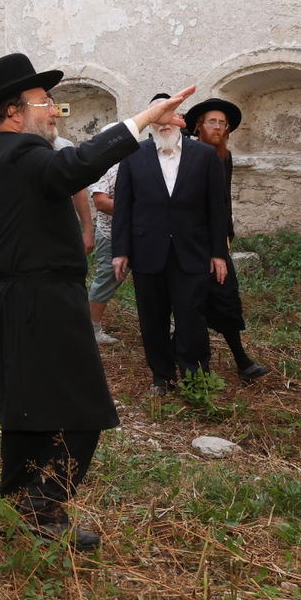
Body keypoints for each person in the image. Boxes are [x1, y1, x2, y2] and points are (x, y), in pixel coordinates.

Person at [0, 52, 193, 548]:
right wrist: (145, 119)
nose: (54, 112)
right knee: (82, 412)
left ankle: (11, 508)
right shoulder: (24, 156)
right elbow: (79, 164)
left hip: (12, 298)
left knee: (26, 415)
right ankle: (41, 511)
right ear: (12, 112)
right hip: (38, 301)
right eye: (46, 104)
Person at [112, 93, 229, 394]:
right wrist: (120, 251)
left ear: (180, 120)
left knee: (191, 317)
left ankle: (195, 378)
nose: (164, 124)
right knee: (153, 319)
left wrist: (218, 253)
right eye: (157, 117)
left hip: (192, 253)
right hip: (147, 252)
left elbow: (217, 208)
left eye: (170, 116)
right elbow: (124, 207)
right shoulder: (133, 155)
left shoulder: (202, 156)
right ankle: (162, 377)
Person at [185, 99, 270, 381]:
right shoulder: (185, 155)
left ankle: (242, 362)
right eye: (213, 121)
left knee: (225, 298)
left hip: (217, 242)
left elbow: (223, 202)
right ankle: (194, 364)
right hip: (188, 242)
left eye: (223, 123)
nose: (218, 127)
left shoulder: (225, 156)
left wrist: (224, 239)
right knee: (190, 303)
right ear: (199, 126)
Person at [86, 162, 122, 345]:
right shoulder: (105, 167)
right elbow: (101, 202)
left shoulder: (139, 162)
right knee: (108, 277)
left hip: (140, 233)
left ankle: (160, 321)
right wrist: (137, 208)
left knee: (150, 278)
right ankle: (91, 328)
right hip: (111, 234)